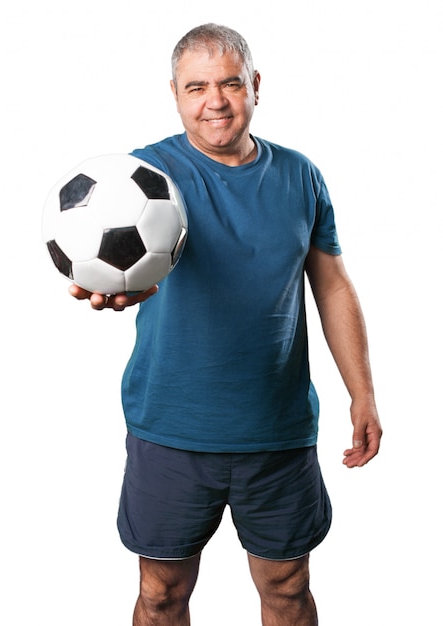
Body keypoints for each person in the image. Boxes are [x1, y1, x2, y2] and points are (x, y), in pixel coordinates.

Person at [69, 23, 382, 626]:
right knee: (161, 592)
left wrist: (362, 394)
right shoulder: (142, 179)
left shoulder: (300, 176)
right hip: (171, 428)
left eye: (230, 83)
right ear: (175, 94)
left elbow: (333, 284)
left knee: (288, 588)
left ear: (255, 87)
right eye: (197, 87)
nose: (215, 100)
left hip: (278, 431)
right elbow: (110, 259)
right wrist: (114, 288)